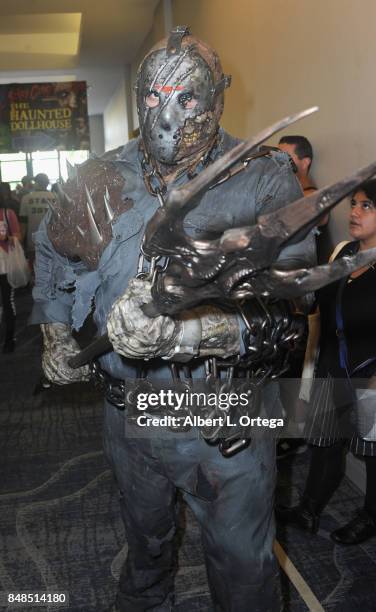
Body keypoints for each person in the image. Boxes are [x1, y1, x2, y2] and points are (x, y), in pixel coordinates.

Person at [31, 28, 316, 611]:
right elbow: (54, 256)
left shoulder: (264, 177)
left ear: (218, 97)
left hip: (224, 413)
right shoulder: (95, 179)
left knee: (243, 571)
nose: (167, 116)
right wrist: (55, 331)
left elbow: (289, 310)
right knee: (145, 550)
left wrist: (188, 333)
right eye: (154, 99)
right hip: (129, 411)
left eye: (187, 99)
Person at [277, 179, 376, 545]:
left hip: (371, 377)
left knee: (372, 455)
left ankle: (370, 516)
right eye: (355, 203)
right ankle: (309, 509)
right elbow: (319, 308)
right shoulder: (343, 252)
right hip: (332, 366)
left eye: (367, 206)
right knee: (324, 443)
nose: (354, 212)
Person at [19, 173, 57, 265]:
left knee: (35, 268)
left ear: (36, 183)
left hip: (33, 241)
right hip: (53, 241)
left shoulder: (26, 198)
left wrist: (21, 242)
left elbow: (23, 224)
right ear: (47, 183)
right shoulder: (55, 197)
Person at [0, 194, 21, 353]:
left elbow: (17, 236)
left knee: (8, 301)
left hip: (5, 264)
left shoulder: (8, 213)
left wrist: (6, 237)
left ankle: (9, 338)